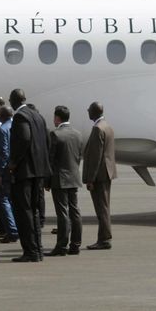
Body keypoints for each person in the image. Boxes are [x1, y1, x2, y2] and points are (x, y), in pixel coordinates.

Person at [8, 89, 51, 262]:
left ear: (13, 101)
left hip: (25, 172)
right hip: (38, 171)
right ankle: (38, 249)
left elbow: (25, 139)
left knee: (23, 211)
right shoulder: (38, 116)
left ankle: (30, 251)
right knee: (34, 211)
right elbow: (46, 141)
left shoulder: (20, 117)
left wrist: (14, 162)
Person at [45, 105, 83, 256]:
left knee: (62, 213)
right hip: (73, 177)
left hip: (60, 179)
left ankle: (61, 246)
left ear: (57, 118)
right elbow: (78, 156)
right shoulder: (78, 134)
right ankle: (75, 244)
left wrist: (47, 182)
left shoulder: (55, 134)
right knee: (75, 211)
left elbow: (51, 160)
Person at [83, 101, 117, 250]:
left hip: (100, 175)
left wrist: (90, 179)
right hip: (107, 173)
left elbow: (96, 156)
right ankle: (104, 238)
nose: (87, 111)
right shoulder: (107, 126)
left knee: (101, 208)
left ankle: (104, 239)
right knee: (104, 206)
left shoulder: (97, 129)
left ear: (94, 112)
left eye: (89, 110)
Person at [0, 105, 18, 243]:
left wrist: (0, 173)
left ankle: (12, 230)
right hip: (17, 169)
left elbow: (3, 152)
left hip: (6, 170)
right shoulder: (17, 127)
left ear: (1, 116)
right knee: (13, 200)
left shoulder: (2, 130)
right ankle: (16, 227)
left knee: (2, 199)